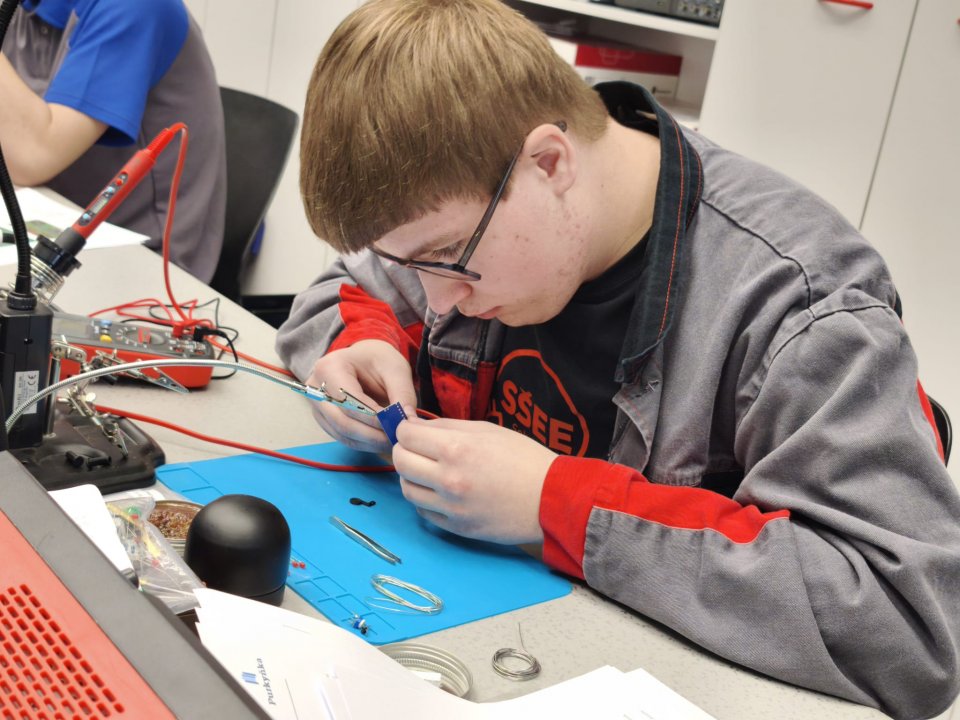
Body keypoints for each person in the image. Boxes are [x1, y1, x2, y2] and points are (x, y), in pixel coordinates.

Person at [276, 1, 960, 717]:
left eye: (447, 257)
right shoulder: (468, 196)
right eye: (411, 265)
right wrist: (362, 344)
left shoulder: (797, 304)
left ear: (550, 162)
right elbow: (340, 291)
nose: (439, 301)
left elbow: (906, 627)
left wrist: (555, 503)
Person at [1, 0, 226, 283]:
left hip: (141, 263)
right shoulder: (29, 8)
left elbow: (32, 157)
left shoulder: (135, 7)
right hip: (50, 227)